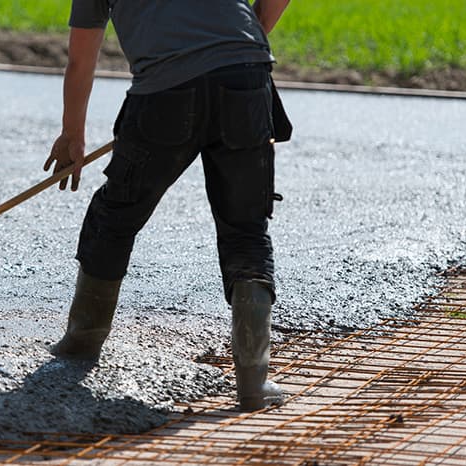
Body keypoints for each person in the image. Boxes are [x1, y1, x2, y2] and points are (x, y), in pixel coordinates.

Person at [43, 0, 292, 412]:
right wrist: (250, 36)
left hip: (165, 91)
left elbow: (80, 60)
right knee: (245, 228)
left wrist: (73, 133)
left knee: (117, 214)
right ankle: (253, 383)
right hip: (245, 75)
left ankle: (82, 341)